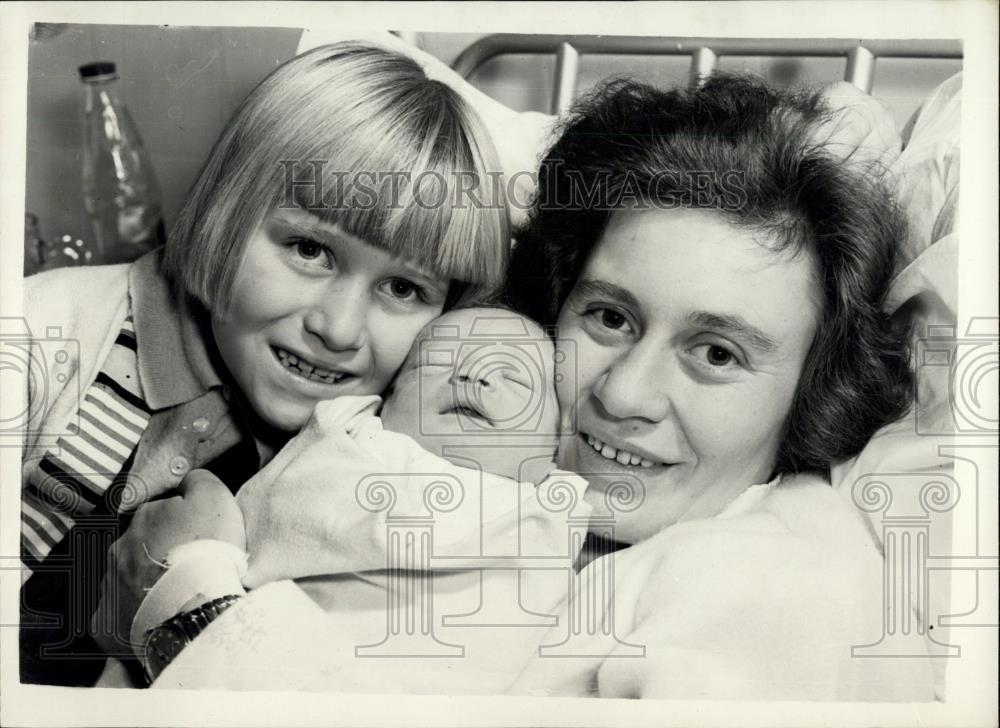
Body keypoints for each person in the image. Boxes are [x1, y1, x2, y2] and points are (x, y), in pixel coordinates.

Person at [93, 74, 938, 700]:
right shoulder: (500, 484)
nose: (624, 395)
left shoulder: (776, 583)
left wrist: (192, 612)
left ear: (815, 391)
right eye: (609, 318)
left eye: (716, 353)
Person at [20, 41, 510, 686]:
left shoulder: (385, 446)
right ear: (225, 211)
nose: (337, 329)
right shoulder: (46, 334)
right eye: (309, 249)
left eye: (402, 289)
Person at [107, 306, 588, 691]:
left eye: (517, 381)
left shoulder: (540, 515)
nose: (473, 378)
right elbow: (275, 520)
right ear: (386, 402)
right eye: (437, 365)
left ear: (554, 445)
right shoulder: (347, 445)